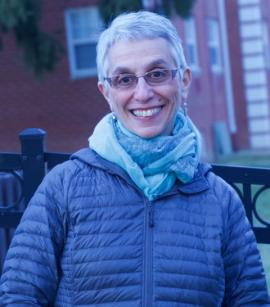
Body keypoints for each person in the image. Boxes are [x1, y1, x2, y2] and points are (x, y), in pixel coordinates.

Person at [0, 11, 269, 306]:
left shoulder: (220, 201)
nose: (143, 93)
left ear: (184, 80)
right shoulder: (63, 188)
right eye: (125, 79)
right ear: (106, 92)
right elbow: (19, 296)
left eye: (157, 74)